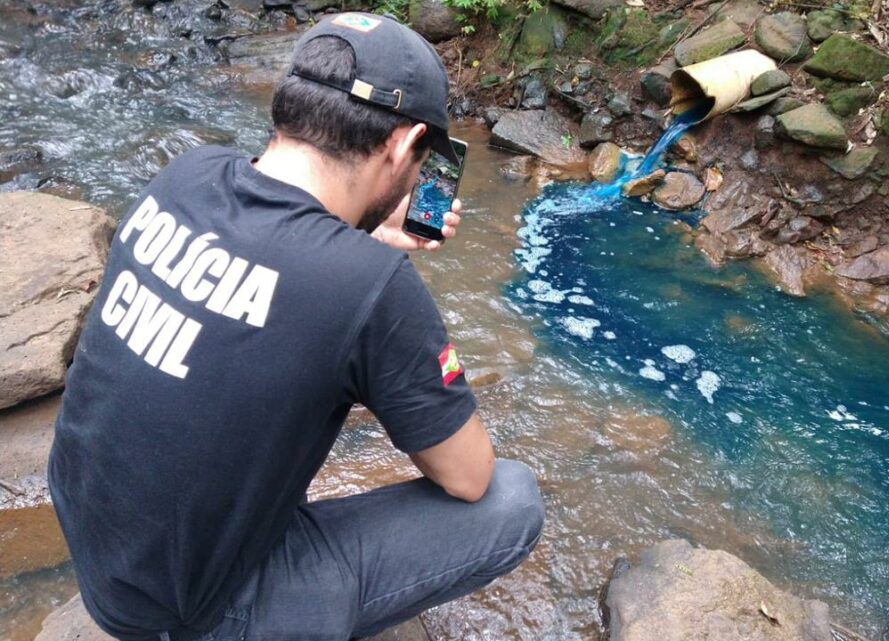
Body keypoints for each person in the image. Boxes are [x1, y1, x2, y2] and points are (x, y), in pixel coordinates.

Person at [48, 12, 545, 641]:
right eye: (422, 160)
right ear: (402, 142)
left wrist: (363, 234)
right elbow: (468, 477)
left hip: (102, 555)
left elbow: (276, 258)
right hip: (196, 611)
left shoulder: (189, 174)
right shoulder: (369, 284)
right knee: (512, 499)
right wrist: (373, 272)